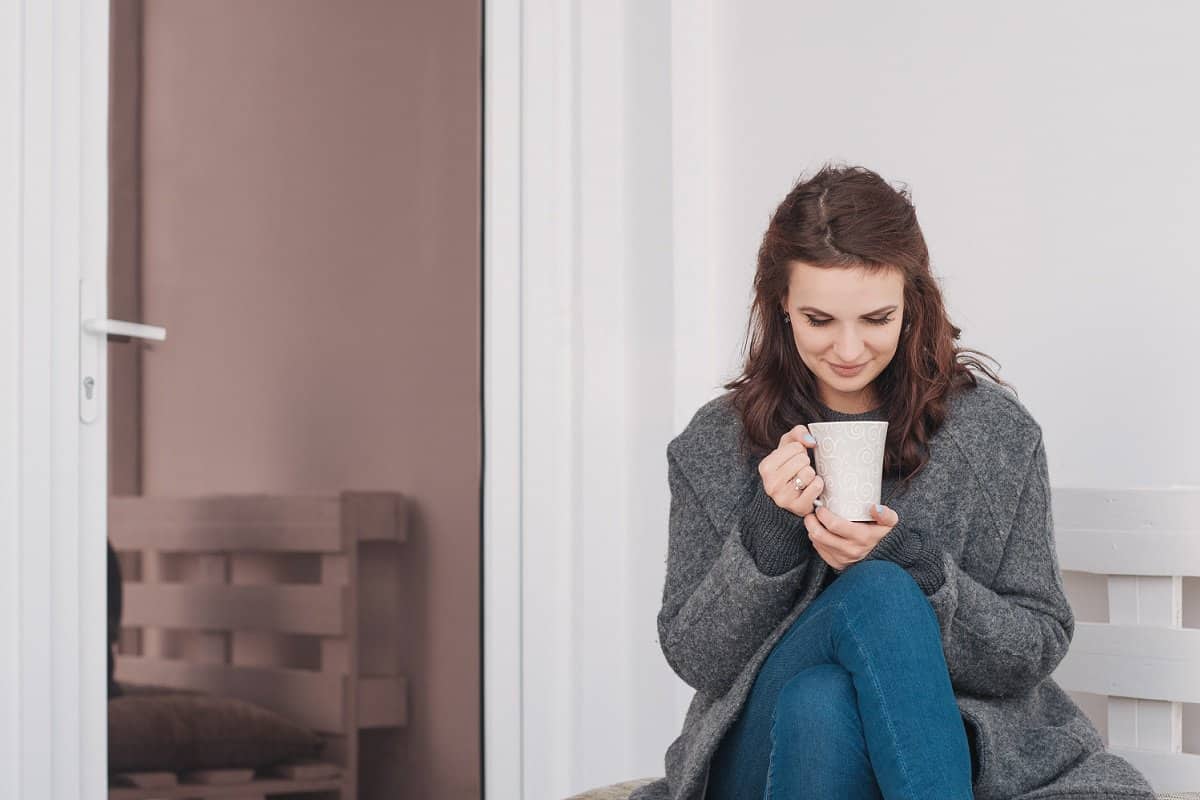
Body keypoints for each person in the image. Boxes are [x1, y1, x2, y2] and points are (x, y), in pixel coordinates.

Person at [628, 165, 1155, 800]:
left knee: (825, 695)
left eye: (876, 318)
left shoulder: (991, 434)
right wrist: (770, 531)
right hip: (754, 751)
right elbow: (697, 658)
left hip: (942, 740)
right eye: (819, 320)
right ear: (781, 311)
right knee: (874, 593)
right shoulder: (716, 443)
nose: (848, 349)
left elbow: (1032, 648)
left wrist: (920, 568)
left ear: (912, 306)